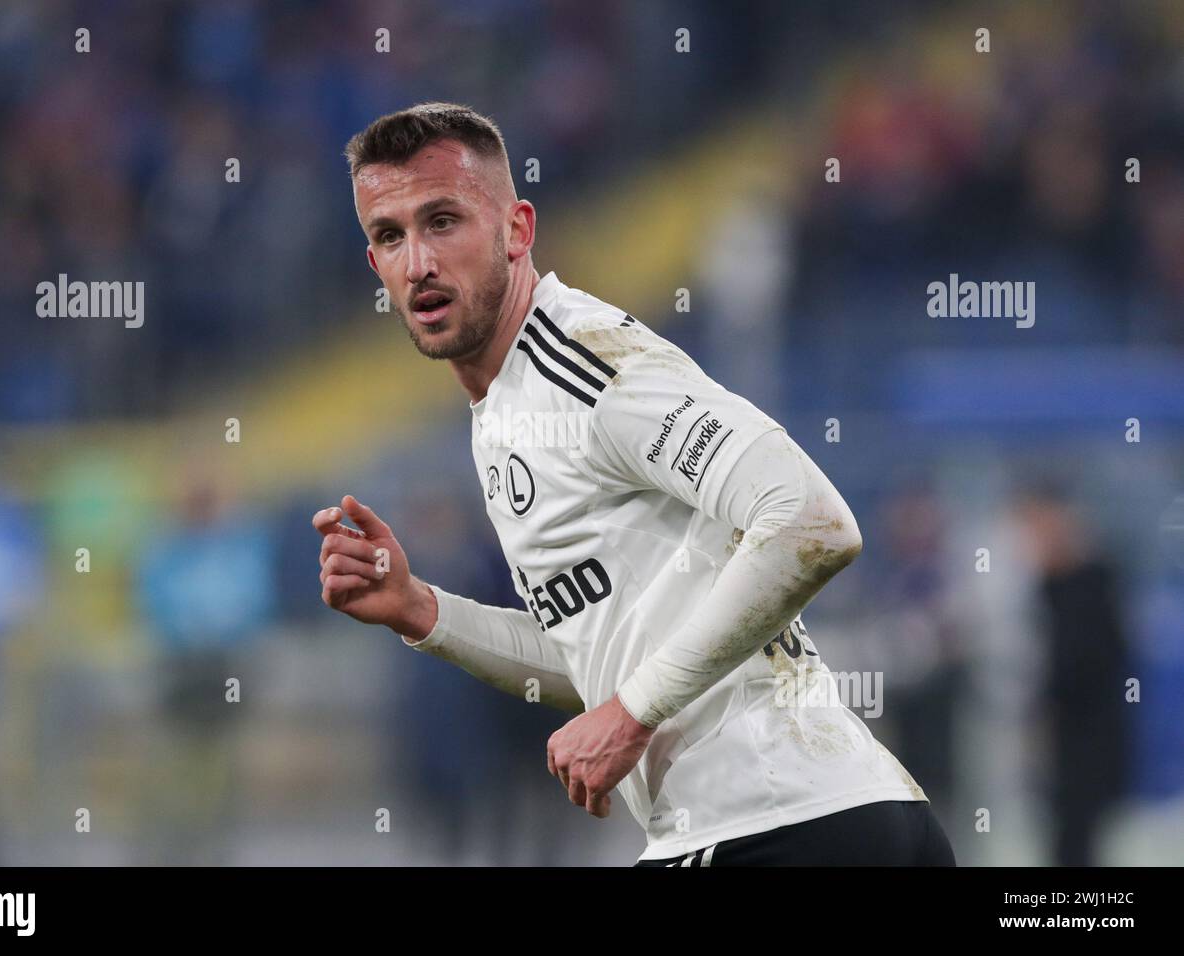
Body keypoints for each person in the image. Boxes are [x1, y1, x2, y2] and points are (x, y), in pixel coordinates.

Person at [315, 102, 954, 866]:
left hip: (781, 828)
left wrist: (630, 714)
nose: (418, 261)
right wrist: (423, 612)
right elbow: (600, 664)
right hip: (821, 822)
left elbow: (810, 520)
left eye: (443, 221)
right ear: (374, 265)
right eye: (391, 236)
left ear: (518, 229)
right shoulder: (506, 408)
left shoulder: (588, 366)